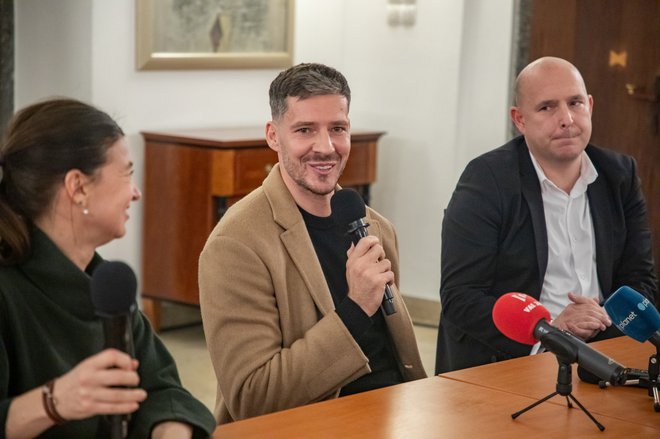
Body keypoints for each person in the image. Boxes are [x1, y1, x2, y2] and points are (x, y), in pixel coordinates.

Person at [199, 63, 426, 423]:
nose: (326, 147)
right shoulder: (235, 245)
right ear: (274, 136)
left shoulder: (377, 227)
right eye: (305, 130)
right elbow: (253, 398)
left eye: (338, 129)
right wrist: (354, 309)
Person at [0, 98, 216, 438]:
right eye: (127, 173)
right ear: (78, 187)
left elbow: (162, 391)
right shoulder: (7, 292)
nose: (136, 193)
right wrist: (53, 402)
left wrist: (169, 430)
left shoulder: (106, 285)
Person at [435, 57, 657, 374]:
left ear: (590, 106)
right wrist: (550, 328)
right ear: (520, 119)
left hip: (605, 352)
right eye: (547, 108)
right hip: (512, 361)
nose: (566, 118)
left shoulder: (618, 175)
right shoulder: (487, 180)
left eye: (575, 103)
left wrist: (602, 322)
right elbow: (461, 296)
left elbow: (640, 280)